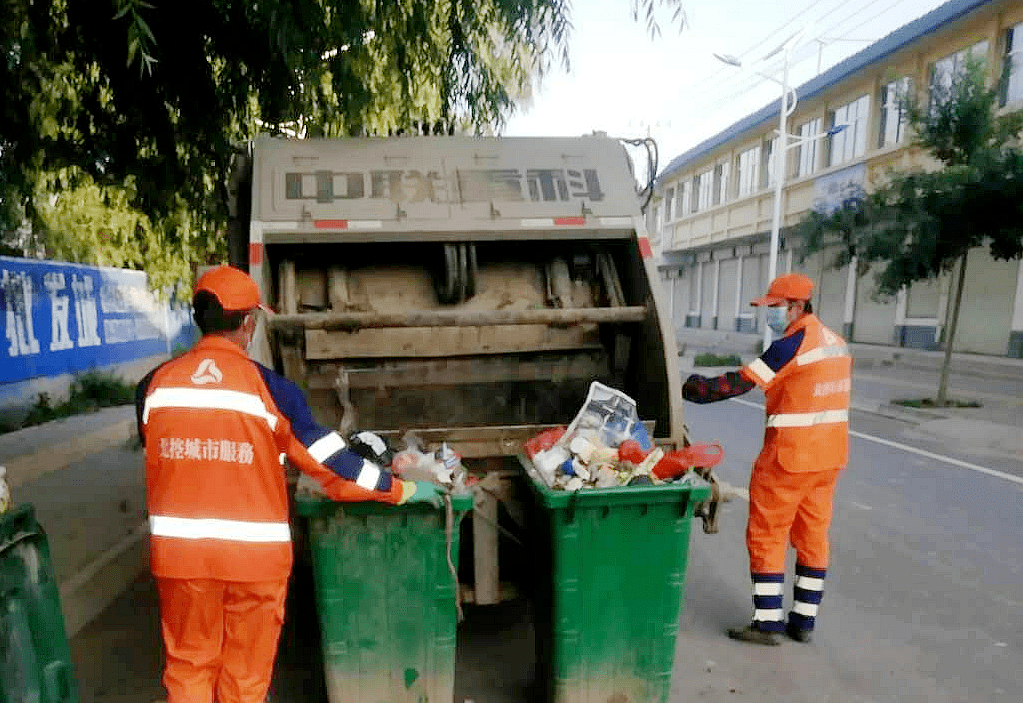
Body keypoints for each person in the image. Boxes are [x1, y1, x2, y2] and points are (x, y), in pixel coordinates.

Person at [135, 265, 441, 703]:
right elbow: (333, 467)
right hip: (254, 564)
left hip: (181, 559)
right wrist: (400, 489)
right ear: (249, 322)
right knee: (244, 679)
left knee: (188, 667)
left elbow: (162, 455)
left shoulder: (153, 386)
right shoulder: (272, 389)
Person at [681, 272, 851, 646]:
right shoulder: (836, 342)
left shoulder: (791, 345)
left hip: (790, 459)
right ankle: (803, 621)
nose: (770, 314)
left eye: (775, 307)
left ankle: (767, 624)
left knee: (767, 536)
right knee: (813, 536)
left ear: (797, 307)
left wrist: (693, 388)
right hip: (829, 458)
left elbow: (740, 383)